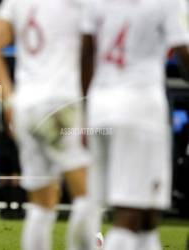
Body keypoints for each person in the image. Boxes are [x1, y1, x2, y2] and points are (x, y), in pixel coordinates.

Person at [0, 0, 103, 250]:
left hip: (26, 107)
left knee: (41, 204)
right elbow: (93, 49)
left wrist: (9, 103)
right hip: (62, 104)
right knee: (88, 193)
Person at [81, 0, 189, 249]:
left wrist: (85, 111)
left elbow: (86, 51)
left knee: (148, 214)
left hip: (100, 106)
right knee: (130, 212)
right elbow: (183, 52)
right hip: (139, 110)